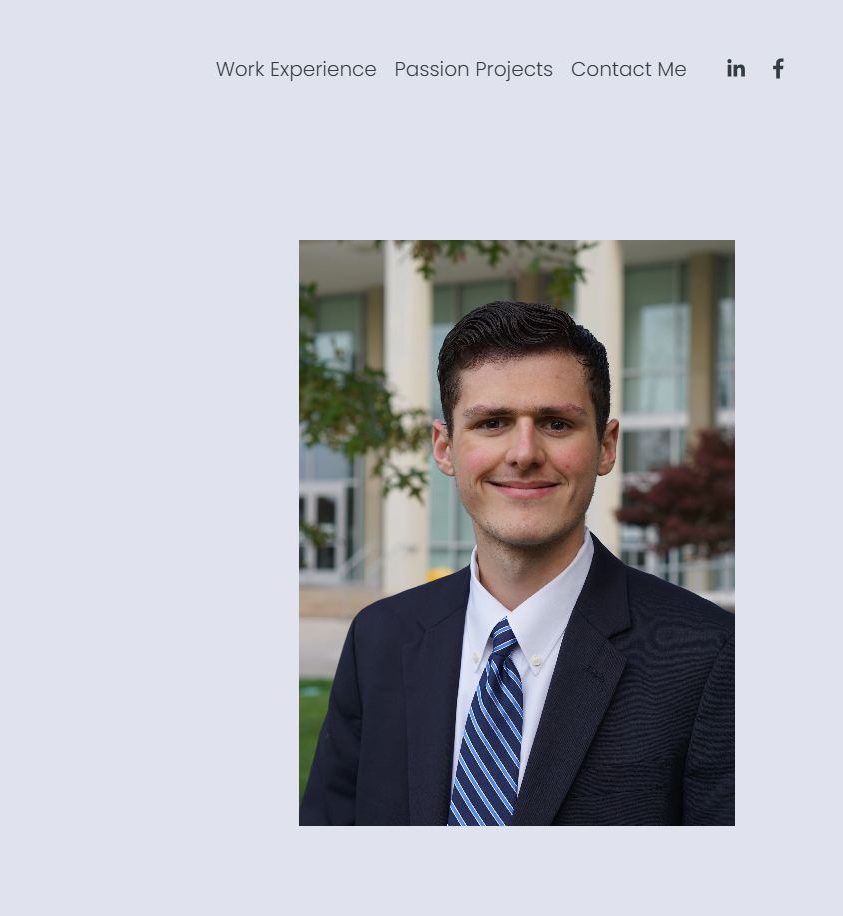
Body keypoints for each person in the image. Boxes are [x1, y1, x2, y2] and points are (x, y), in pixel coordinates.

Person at [299, 301, 733, 825]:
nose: (523, 452)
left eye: (555, 423)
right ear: (444, 448)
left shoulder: (709, 656)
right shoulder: (380, 639)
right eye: (492, 422)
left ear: (605, 446)